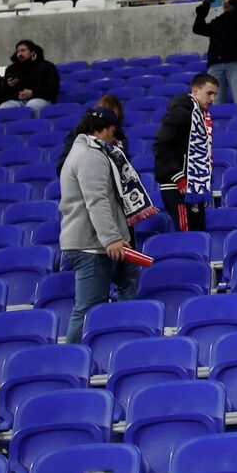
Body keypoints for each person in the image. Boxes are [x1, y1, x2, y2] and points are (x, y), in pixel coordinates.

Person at [60, 105, 155, 344]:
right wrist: (111, 238)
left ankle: (121, 338)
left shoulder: (81, 151)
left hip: (95, 241)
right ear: (104, 130)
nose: (115, 139)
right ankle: (71, 357)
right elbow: (97, 200)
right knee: (88, 310)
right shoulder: (91, 156)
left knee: (128, 278)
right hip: (92, 245)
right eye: (114, 133)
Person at [152, 73, 218, 233]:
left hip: (192, 188)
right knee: (189, 235)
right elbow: (161, 146)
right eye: (209, 93)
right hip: (178, 188)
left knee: (197, 233)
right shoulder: (181, 112)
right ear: (195, 91)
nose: (212, 99)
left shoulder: (198, 114)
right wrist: (179, 177)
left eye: (215, 94)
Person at [194, 0, 237, 105]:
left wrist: (232, 0)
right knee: (215, 103)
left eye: (229, 0)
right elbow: (198, 28)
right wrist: (205, 8)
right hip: (215, 65)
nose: (226, 3)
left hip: (235, 64)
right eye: (224, 1)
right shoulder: (218, 21)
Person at [0, 40, 59, 111]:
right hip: (18, 101)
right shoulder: (11, 69)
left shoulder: (46, 66)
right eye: (18, 51)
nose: (20, 53)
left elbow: (53, 88)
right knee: (5, 107)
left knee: (32, 105)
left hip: (40, 98)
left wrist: (33, 93)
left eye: (23, 50)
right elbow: (3, 91)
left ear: (32, 52)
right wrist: (8, 85)